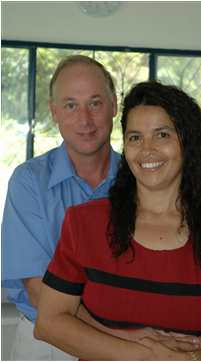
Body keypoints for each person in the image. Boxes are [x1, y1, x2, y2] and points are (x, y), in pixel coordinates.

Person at [34, 81, 201, 360]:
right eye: (134, 137)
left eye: (162, 135)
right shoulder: (85, 223)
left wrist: (192, 360)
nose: (146, 149)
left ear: (188, 143)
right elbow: (49, 323)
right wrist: (145, 357)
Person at [1, 54, 121, 360]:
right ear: (54, 112)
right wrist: (122, 340)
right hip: (48, 344)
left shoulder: (141, 180)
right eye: (70, 105)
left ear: (114, 106)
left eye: (95, 103)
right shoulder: (29, 182)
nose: (85, 120)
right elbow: (38, 290)